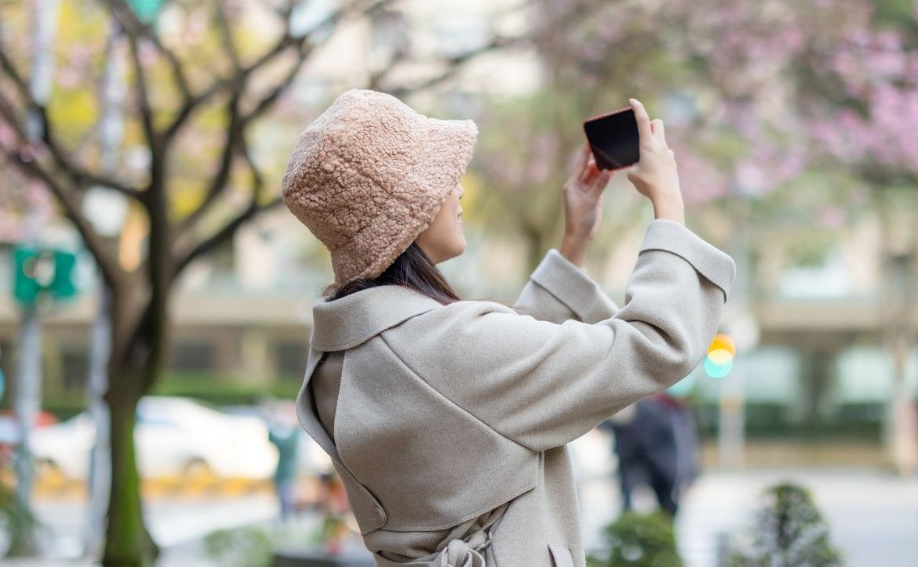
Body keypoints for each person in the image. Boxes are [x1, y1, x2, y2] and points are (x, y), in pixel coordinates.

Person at [282, 90, 734, 567]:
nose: (458, 189)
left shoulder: (346, 355)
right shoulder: (447, 347)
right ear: (407, 212)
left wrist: (574, 240)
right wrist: (669, 205)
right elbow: (655, 346)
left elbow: (485, 398)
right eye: (443, 177)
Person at [609, 388, 699, 519]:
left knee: (666, 515)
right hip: (653, 472)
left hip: (667, 473)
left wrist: (689, 475)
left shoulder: (673, 409)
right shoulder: (655, 408)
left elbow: (685, 446)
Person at [265, 401, 303, 524]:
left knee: (286, 502)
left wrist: (271, 422)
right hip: (283, 473)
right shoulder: (292, 433)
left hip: (287, 474)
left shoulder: (295, 434)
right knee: (283, 501)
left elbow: (279, 442)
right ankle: (285, 523)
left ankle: (286, 523)